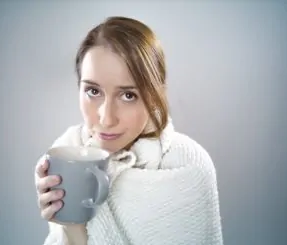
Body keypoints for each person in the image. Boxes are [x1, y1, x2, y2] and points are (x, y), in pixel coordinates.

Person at [34, 16, 223, 245]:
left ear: (154, 97)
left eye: (128, 95)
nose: (106, 118)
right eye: (93, 91)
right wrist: (68, 221)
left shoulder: (188, 165)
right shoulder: (68, 150)